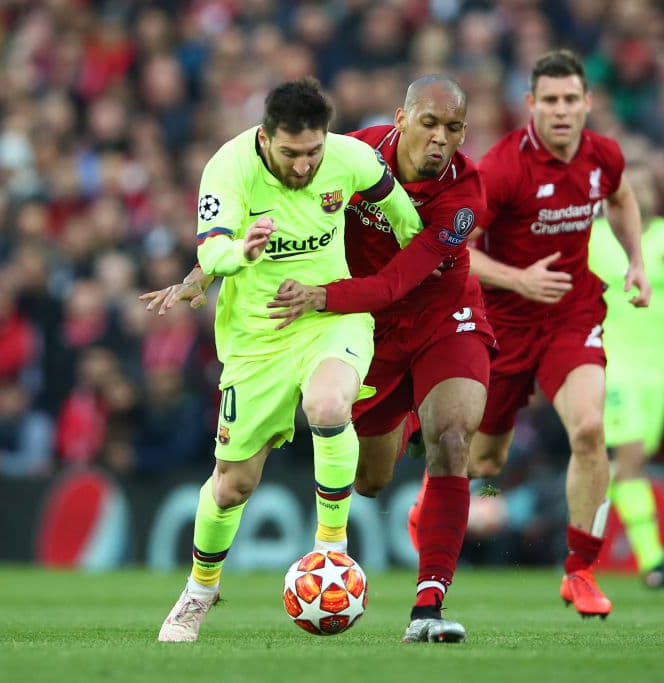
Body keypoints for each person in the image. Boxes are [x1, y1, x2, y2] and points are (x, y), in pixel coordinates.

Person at [150, 77, 422, 643]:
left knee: (327, 404)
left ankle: (331, 550)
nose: (304, 166)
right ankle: (200, 590)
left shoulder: (350, 157)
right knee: (232, 488)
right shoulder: (228, 168)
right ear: (266, 138)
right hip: (256, 339)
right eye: (291, 153)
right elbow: (211, 250)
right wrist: (240, 250)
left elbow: (407, 220)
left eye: (313, 152)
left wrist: (419, 283)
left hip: (330, 317)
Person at [266, 75, 495, 643]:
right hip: (369, 331)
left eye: (454, 128)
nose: (441, 139)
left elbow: (397, 282)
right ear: (401, 117)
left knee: (454, 440)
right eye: (430, 123)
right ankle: (409, 417)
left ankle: (428, 606)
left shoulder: (464, 195)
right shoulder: (351, 155)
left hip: (443, 315)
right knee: (369, 481)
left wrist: (320, 297)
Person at [465, 49, 651, 619]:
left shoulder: (603, 156)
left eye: (572, 99)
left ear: (588, 102)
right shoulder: (500, 168)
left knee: (590, 429)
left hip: (572, 313)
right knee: (487, 462)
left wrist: (635, 261)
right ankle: (437, 497)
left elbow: (620, 198)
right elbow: (454, 251)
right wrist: (518, 278)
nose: (562, 110)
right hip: (504, 323)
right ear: (531, 106)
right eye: (550, 100)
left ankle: (581, 571)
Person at [587, 165, 664, 588]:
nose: (638, 194)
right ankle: (653, 561)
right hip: (612, 363)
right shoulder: (593, 237)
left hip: (660, 368)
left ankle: (575, 524)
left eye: (645, 185)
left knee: (628, 465)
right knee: (631, 461)